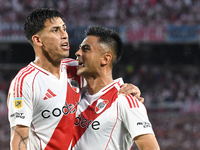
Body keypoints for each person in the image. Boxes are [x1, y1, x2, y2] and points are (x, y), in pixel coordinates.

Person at [7, 8, 143, 150]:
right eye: (55, 30)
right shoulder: (25, 82)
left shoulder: (76, 69)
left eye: (64, 28)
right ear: (38, 40)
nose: (64, 35)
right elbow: (19, 138)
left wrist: (129, 90)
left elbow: (104, 83)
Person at [72, 26, 160, 150]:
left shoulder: (125, 101)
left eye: (86, 49)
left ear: (105, 59)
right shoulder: (73, 96)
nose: (78, 53)